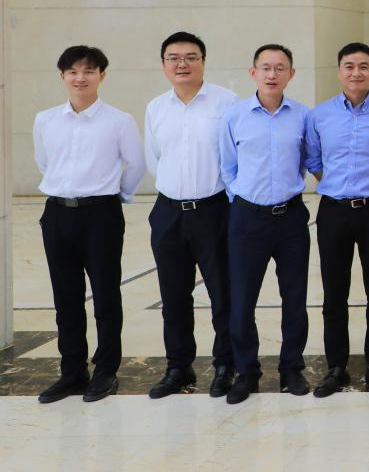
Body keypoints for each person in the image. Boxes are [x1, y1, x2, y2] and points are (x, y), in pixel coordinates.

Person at [33, 45, 144, 404]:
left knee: (106, 295)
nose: (80, 78)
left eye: (89, 71)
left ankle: (106, 370)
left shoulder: (119, 121)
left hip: (101, 215)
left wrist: (112, 197)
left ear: (102, 76)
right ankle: (72, 371)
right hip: (57, 213)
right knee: (65, 297)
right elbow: (44, 163)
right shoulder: (45, 119)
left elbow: (135, 165)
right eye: (73, 72)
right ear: (62, 76)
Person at [144, 32, 238, 399]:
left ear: (203, 61)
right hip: (169, 213)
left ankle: (226, 364)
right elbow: (154, 159)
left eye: (191, 57)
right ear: (164, 64)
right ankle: (178, 367)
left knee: (223, 295)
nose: (182, 64)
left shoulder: (226, 102)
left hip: (214, 210)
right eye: (174, 58)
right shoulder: (156, 107)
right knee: (174, 297)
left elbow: (235, 156)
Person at [219, 44, 312, 404]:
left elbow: (307, 160)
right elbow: (228, 167)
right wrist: (244, 201)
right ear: (253, 72)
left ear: (291, 74)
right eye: (266, 68)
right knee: (242, 300)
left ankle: (292, 368)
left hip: (290, 218)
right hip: (248, 218)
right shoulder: (235, 116)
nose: (272, 74)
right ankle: (247, 372)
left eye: (280, 68)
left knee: (295, 297)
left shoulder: (303, 116)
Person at [304, 43, 369, 398]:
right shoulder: (320, 115)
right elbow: (313, 159)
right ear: (339, 70)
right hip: (334, 211)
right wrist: (335, 185)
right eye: (349, 66)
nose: (356, 72)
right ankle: (336, 367)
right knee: (334, 292)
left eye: (363, 66)